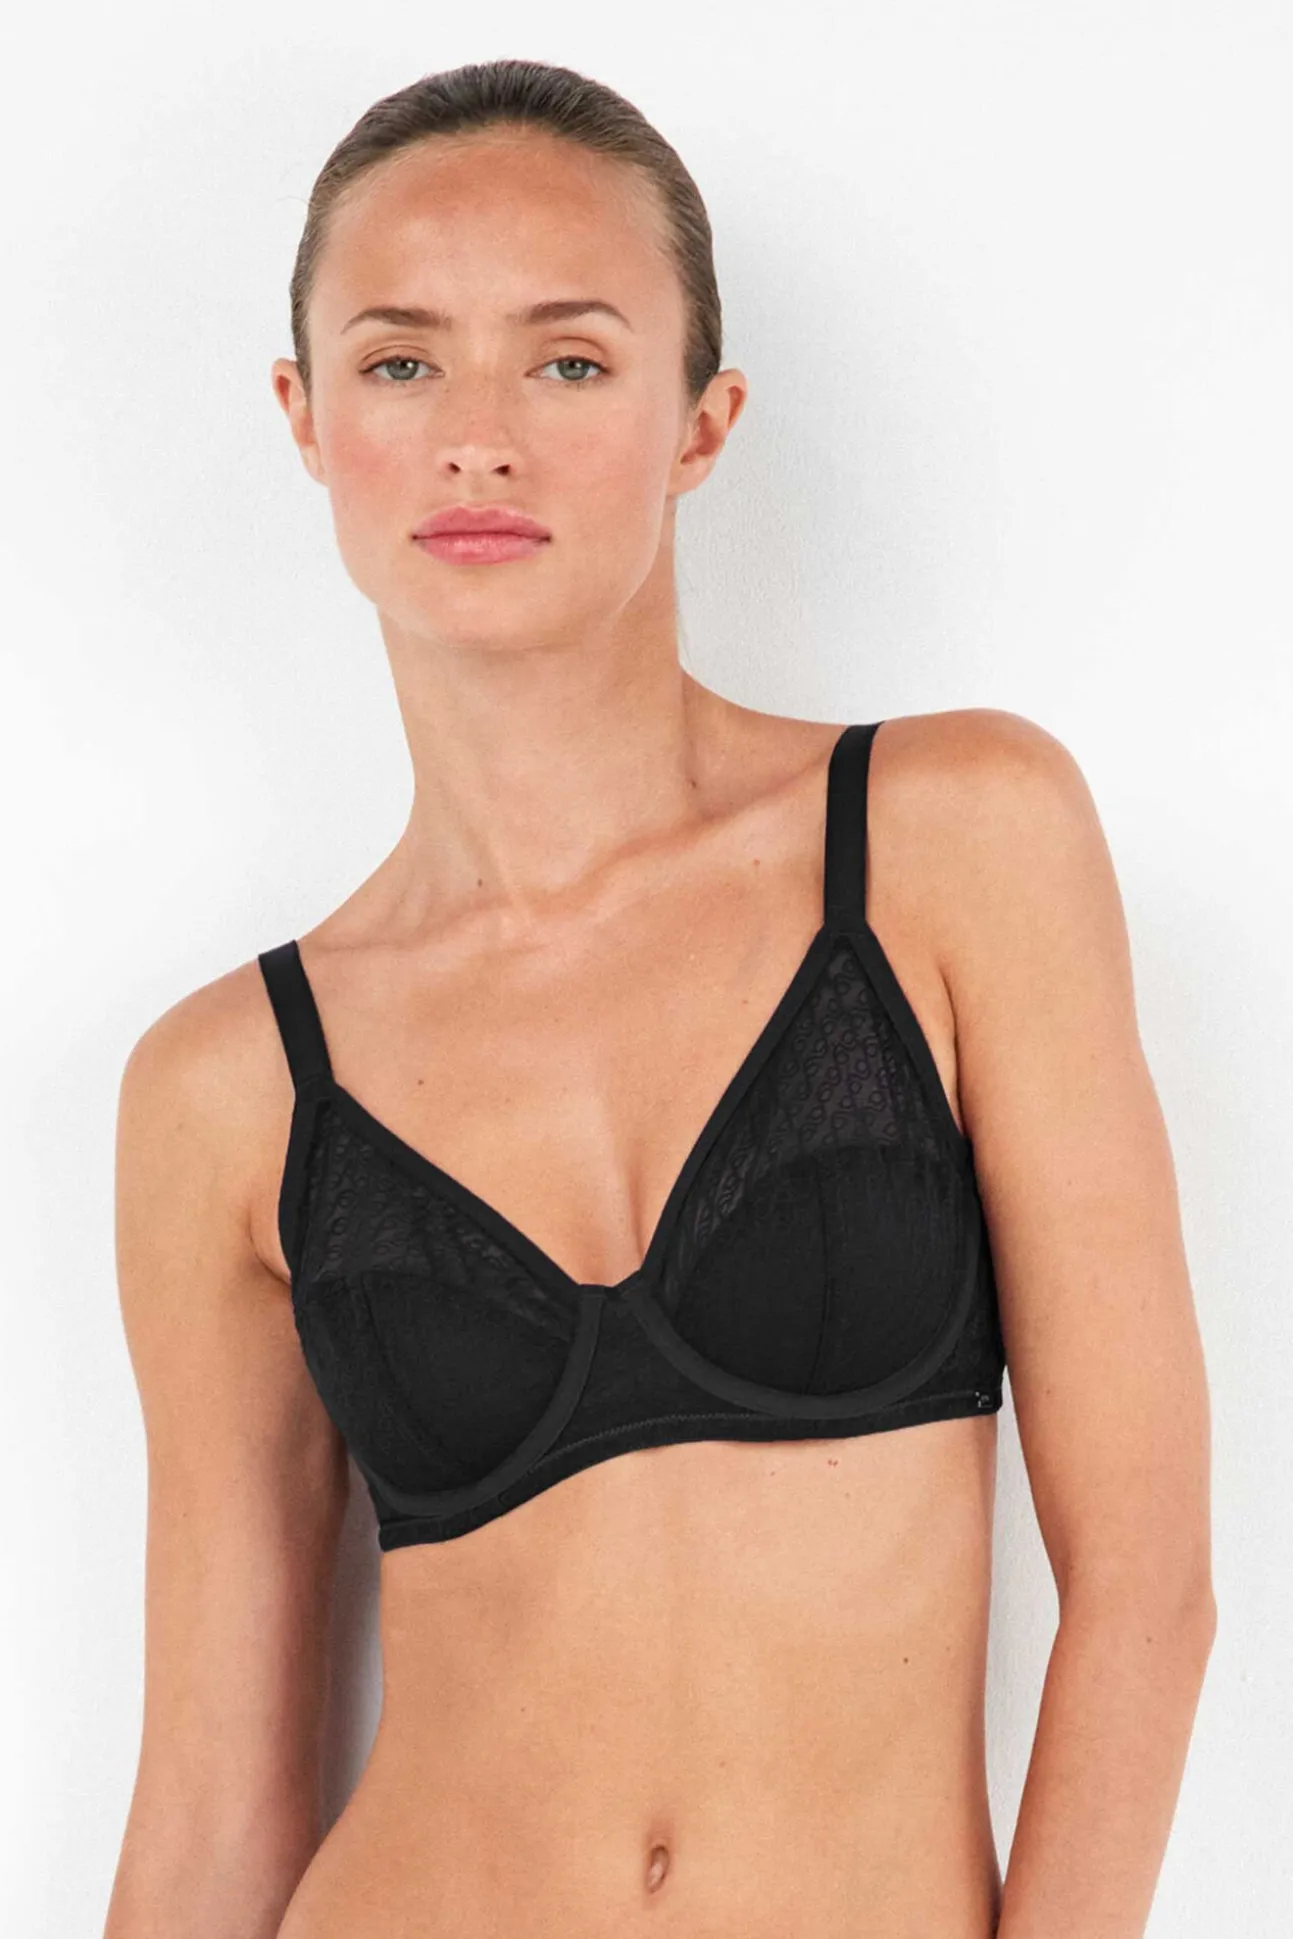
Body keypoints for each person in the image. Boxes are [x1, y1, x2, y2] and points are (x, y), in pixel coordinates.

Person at [104, 57, 1216, 1939]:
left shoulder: (954, 843)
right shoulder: (229, 1089)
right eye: (400, 361)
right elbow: (215, 1806)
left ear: (702, 421)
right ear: (305, 417)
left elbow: (1148, 1590)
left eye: (568, 361)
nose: (478, 439)